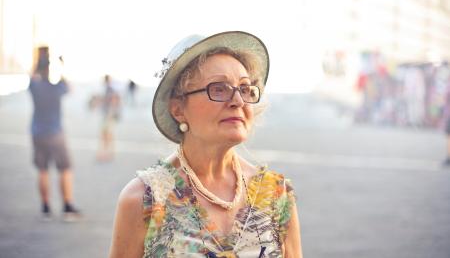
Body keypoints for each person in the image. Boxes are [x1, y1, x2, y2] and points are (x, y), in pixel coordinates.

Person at [109, 31, 303, 257]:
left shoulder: (276, 195)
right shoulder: (145, 199)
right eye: (219, 88)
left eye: (244, 88)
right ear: (178, 109)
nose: (238, 101)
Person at [28, 47, 81, 221]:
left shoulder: (35, 86)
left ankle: (45, 208)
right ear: (49, 69)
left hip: (37, 133)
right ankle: (67, 206)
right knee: (64, 169)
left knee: (42, 170)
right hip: (56, 134)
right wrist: (62, 65)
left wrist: (39, 61)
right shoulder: (56, 88)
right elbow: (69, 87)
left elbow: (32, 75)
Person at [96, 74, 121, 162]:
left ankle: (106, 154)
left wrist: (110, 114)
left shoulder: (109, 89)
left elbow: (114, 102)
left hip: (108, 116)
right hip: (108, 116)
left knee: (106, 135)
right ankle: (108, 153)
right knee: (107, 135)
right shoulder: (109, 89)